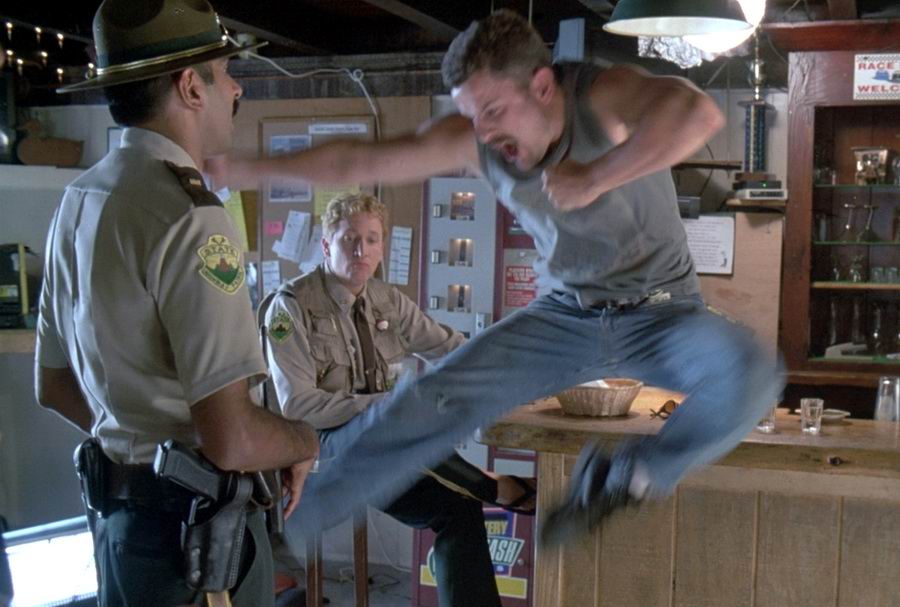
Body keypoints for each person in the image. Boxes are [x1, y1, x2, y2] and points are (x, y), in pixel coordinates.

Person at [213, 9, 783, 544]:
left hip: (663, 313)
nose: (483, 133)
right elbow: (359, 160)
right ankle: (299, 524)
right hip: (566, 318)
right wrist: (243, 168)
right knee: (436, 396)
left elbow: (696, 113)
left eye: (493, 111)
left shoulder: (599, 95)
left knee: (751, 374)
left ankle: (629, 477)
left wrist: (596, 177)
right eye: (470, 116)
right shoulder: (475, 139)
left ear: (543, 87)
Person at [34, 1, 319, 606]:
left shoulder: (77, 201)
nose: (236, 88)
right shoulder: (192, 218)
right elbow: (231, 439)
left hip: (120, 534)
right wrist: (306, 441)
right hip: (194, 552)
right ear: (191, 87)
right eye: (226, 72)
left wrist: (137, 452)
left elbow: (54, 386)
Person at [262, 192, 538, 607]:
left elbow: (451, 349)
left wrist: (523, 369)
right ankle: (492, 486)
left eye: (371, 240)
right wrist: (383, 408)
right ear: (326, 245)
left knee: (459, 511)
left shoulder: (386, 300)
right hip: (319, 460)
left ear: (382, 248)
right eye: (349, 239)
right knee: (400, 415)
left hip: (385, 451)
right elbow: (298, 407)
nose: (361, 250)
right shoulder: (290, 307)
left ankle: (482, 491)